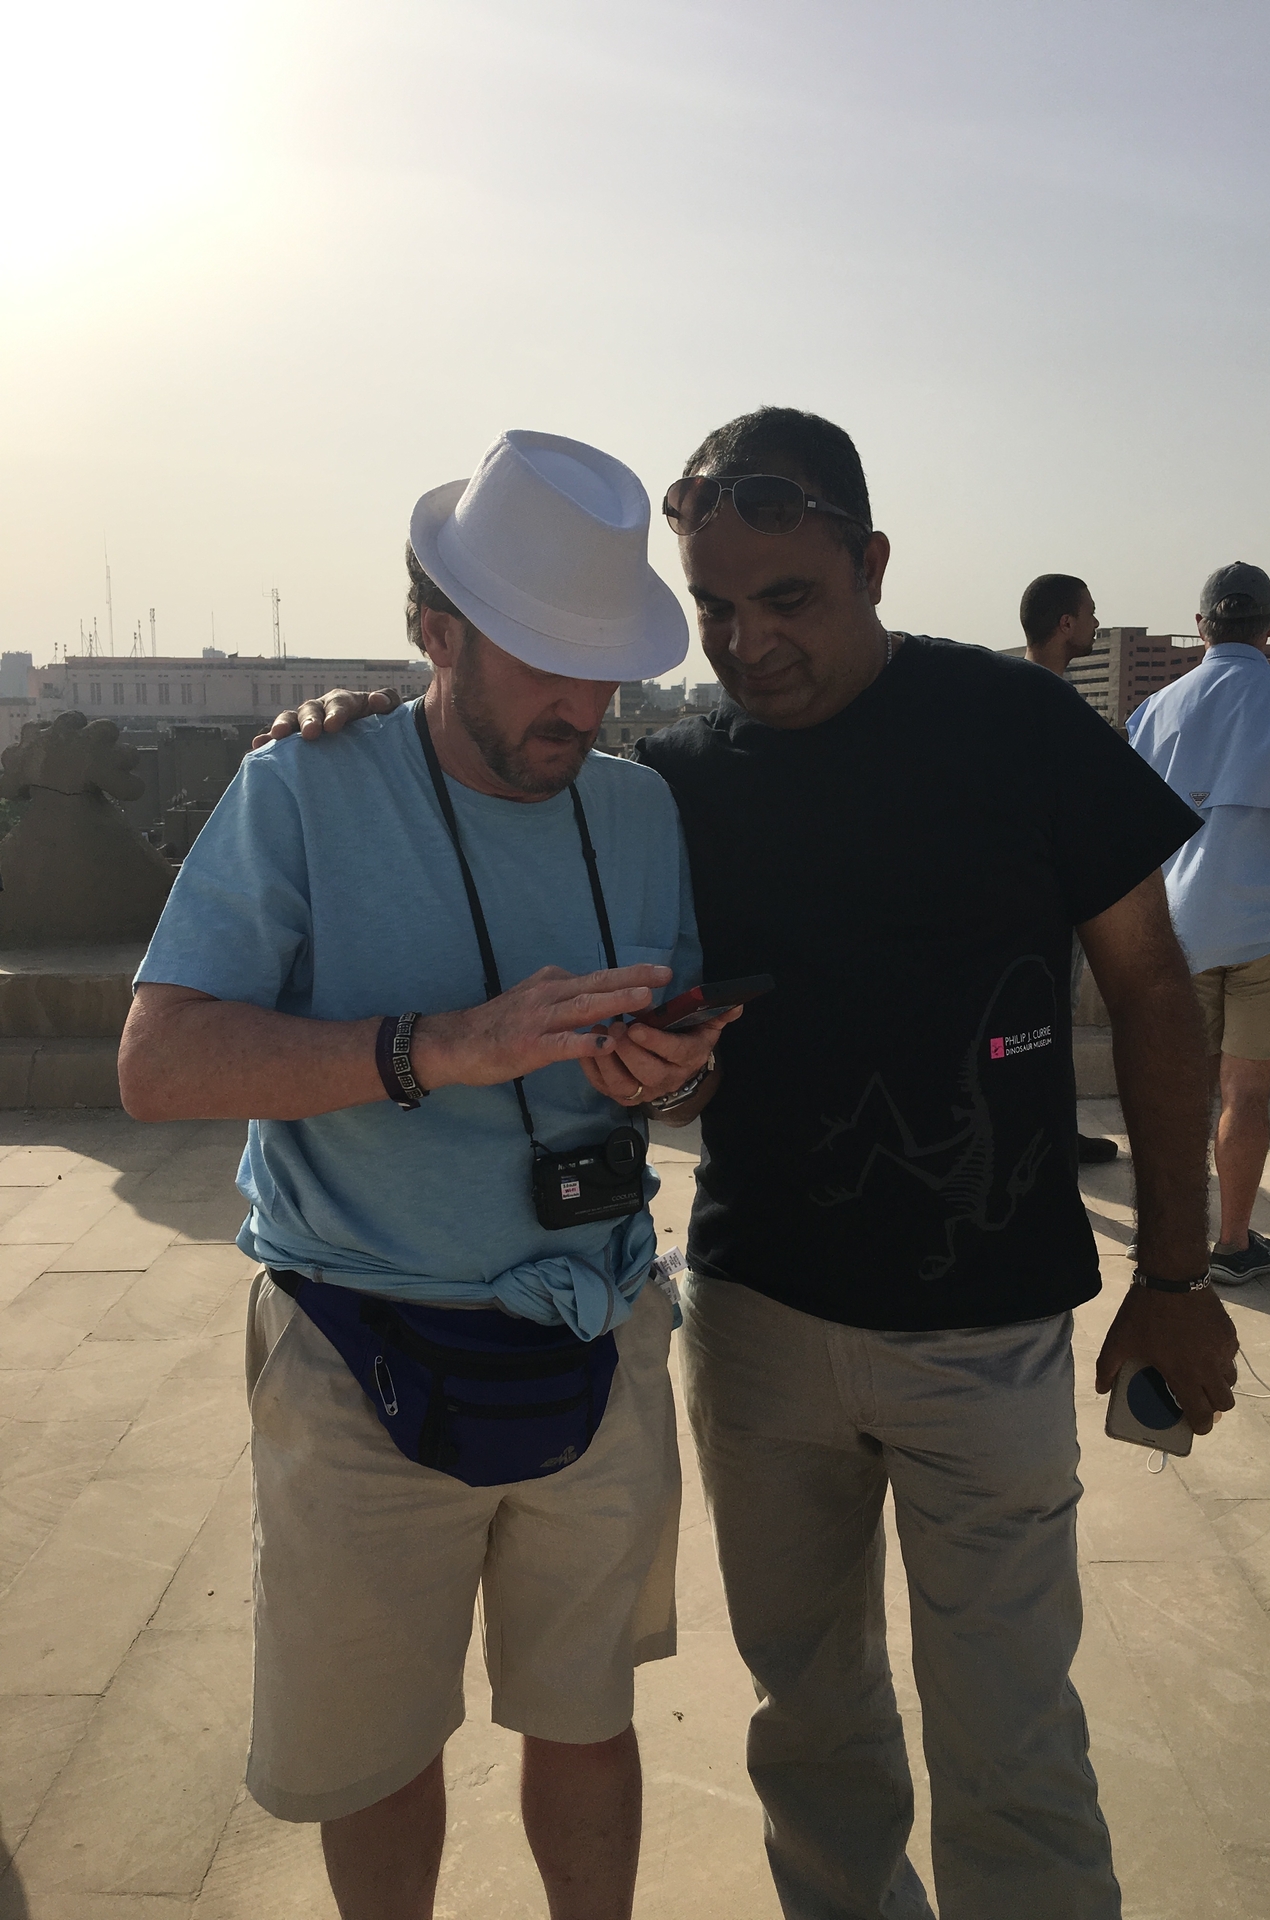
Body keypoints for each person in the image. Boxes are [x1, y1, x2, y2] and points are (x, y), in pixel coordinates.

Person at [275, 408, 1240, 1920]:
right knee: (813, 1728)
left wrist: (1176, 1272)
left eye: (789, 598)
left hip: (985, 1331)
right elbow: (513, 785)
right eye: (715, 609)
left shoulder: (1018, 723)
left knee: (1013, 1742)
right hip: (759, 1325)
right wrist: (369, 717)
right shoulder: (676, 782)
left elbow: (1156, 991)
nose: (748, 642)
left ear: (872, 562)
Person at [118, 430, 742, 1920]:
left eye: (603, 668)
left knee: (587, 1717)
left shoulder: (638, 808)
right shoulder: (304, 788)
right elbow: (159, 1064)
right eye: (544, 661)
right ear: (435, 632)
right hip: (359, 1346)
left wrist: (673, 1078)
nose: (582, 704)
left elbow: (690, 1065)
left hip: (600, 1329)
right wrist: (439, 1049)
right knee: (379, 1748)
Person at [1127, 562, 1270, 1285]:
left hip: (1179, 928)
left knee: (1178, 1094)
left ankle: (1167, 1238)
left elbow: (1128, 835)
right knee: (1245, 1092)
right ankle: (1232, 1244)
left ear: (1200, 626)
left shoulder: (1154, 709)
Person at [1020, 572, 1119, 1165]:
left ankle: (1051, 1129)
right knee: (1045, 1020)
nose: (1096, 624)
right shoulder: (1052, 704)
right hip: (1048, 896)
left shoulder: (1011, 696)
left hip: (1029, 892)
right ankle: (1050, 1134)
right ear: (1065, 625)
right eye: (1089, 614)